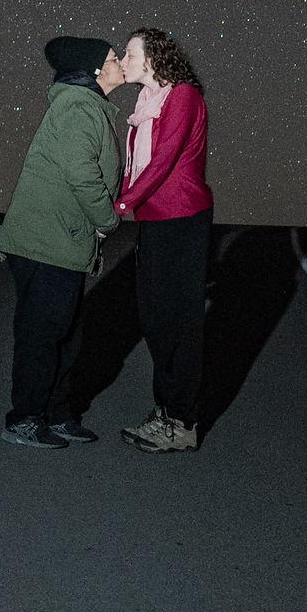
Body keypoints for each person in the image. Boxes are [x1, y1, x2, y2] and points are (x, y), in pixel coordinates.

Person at [0, 35, 127, 449]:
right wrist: (107, 219)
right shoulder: (78, 107)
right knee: (42, 333)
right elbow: (81, 173)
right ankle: (25, 419)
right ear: (93, 71)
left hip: (62, 241)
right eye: (112, 58)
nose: (120, 61)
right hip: (45, 242)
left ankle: (59, 414)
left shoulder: (89, 108)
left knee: (66, 333)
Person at [113, 27, 213, 453]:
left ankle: (181, 421)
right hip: (154, 220)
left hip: (183, 218)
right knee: (153, 317)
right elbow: (135, 168)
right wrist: (119, 197)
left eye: (130, 51)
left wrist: (121, 207)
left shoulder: (184, 96)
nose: (123, 57)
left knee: (180, 320)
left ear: (151, 57)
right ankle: (166, 410)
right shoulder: (145, 103)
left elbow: (164, 159)